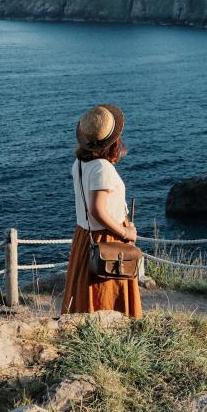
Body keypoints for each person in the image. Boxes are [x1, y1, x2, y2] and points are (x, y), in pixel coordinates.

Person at [61, 103, 142, 318]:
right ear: (113, 140)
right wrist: (125, 232)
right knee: (106, 294)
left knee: (84, 292)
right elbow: (97, 210)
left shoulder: (79, 163)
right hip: (105, 238)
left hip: (84, 235)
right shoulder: (102, 168)